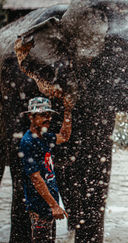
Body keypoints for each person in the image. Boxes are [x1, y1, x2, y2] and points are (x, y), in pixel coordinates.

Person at [19, 96, 73, 242]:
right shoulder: (28, 142)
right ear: (31, 116)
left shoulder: (44, 137)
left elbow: (64, 136)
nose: (48, 118)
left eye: (49, 115)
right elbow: (36, 179)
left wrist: (67, 111)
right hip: (39, 206)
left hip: (48, 206)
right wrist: (54, 206)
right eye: (43, 115)